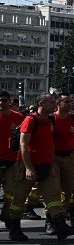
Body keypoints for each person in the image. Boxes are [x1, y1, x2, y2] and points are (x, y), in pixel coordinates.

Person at [2, 93, 69, 241]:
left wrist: (51, 163)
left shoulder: (50, 120)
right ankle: (15, 229)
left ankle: (60, 226)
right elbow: (23, 146)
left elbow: (50, 143)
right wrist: (29, 168)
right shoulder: (30, 120)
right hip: (28, 166)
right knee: (19, 198)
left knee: (54, 196)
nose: (55, 104)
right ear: (41, 103)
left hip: (46, 165)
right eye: (51, 102)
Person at [52, 92, 74, 232]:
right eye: (66, 102)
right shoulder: (51, 119)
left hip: (70, 157)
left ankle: (61, 218)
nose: (70, 104)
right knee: (54, 190)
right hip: (54, 157)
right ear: (58, 103)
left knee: (68, 190)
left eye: (70, 101)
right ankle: (50, 221)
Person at [0, 90, 24, 233]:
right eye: (0, 100)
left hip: (13, 161)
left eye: (4, 100)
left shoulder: (19, 117)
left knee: (11, 191)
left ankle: (6, 214)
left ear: (10, 102)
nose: (1, 103)